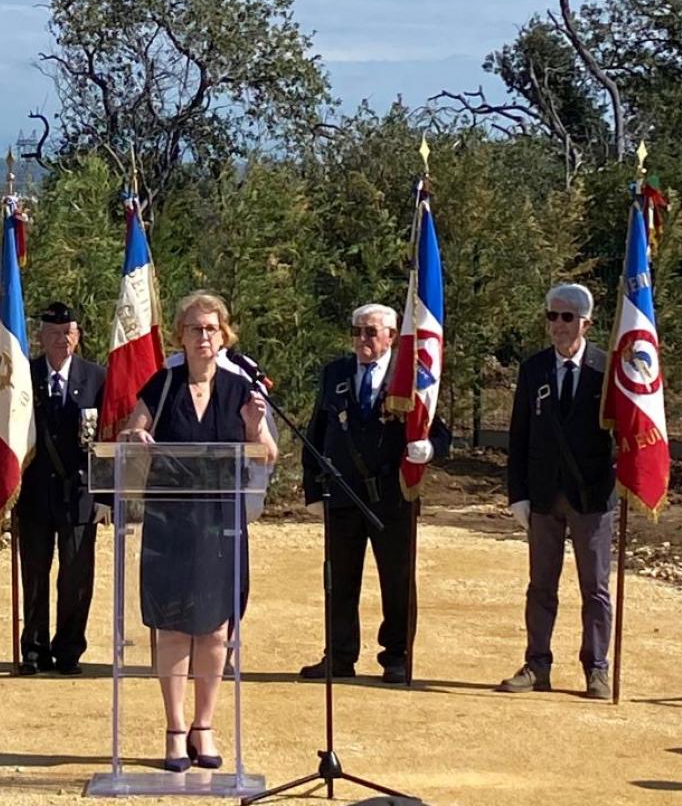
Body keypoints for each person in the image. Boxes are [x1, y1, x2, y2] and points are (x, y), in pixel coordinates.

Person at [120, 291, 276, 772]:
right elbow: (132, 432)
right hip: (170, 523)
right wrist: (136, 437)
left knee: (213, 630)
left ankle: (203, 727)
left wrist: (254, 428)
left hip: (219, 524)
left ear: (223, 335)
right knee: (171, 629)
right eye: (194, 328)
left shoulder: (240, 386)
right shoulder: (163, 383)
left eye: (211, 328)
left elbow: (267, 453)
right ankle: (173, 728)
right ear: (180, 336)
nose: (203, 337)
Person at [298, 303, 451, 685]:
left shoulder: (410, 377)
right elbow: (317, 431)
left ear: (392, 337)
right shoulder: (335, 373)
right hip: (344, 492)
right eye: (357, 331)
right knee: (339, 579)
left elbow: (439, 432)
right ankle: (339, 654)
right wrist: (314, 487)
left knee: (397, 580)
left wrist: (428, 449)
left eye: (371, 332)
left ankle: (397, 657)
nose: (363, 339)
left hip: (392, 496)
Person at [499, 283, 615, 700]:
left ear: (586, 321)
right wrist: (518, 495)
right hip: (545, 496)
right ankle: (537, 664)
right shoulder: (534, 370)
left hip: (592, 496)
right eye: (552, 316)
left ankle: (597, 668)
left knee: (595, 588)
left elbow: (630, 431)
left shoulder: (609, 368)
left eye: (568, 317)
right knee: (541, 585)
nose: (559, 326)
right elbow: (520, 436)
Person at [15, 301, 107, 676]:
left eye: (67, 333)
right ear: (40, 336)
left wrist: (106, 496)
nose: (61, 340)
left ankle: (69, 650)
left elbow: (107, 436)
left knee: (76, 578)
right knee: (34, 576)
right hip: (35, 494)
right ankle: (34, 651)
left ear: (78, 336)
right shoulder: (23, 376)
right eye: (53, 333)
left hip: (80, 495)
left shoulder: (97, 378)